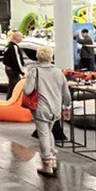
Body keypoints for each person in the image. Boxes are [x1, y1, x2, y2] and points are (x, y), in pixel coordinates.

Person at [23, 45, 71, 178]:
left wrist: (25, 83)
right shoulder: (58, 72)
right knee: (49, 132)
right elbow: (66, 93)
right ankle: (53, 159)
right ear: (51, 56)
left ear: (38, 56)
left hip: (41, 108)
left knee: (43, 134)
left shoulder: (34, 71)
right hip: (55, 109)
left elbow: (27, 90)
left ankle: (47, 163)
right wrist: (67, 107)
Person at [2, 29, 26, 97]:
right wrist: (22, 72)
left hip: (8, 69)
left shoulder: (8, 46)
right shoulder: (14, 47)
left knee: (12, 86)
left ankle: (9, 99)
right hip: (13, 70)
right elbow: (17, 60)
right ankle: (11, 99)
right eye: (21, 37)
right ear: (17, 37)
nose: (22, 38)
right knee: (15, 86)